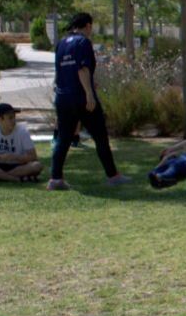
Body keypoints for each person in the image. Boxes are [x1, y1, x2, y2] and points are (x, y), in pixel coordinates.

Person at [47, 12, 131, 190]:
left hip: (63, 97)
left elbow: (61, 73)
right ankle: (113, 176)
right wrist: (89, 94)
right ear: (88, 26)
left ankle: (55, 179)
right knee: (100, 136)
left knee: (63, 139)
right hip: (81, 98)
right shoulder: (83, 42)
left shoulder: (61, 43)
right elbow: (82, 69)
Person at [0, 103, 43, 183]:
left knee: (37, 166)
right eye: (10, 118)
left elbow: (33, 157)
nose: (14, 121)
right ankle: (15, 179)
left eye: (14, 117)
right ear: (0, 119)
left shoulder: (22, 131)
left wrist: (14, 157)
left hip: (18, 166)